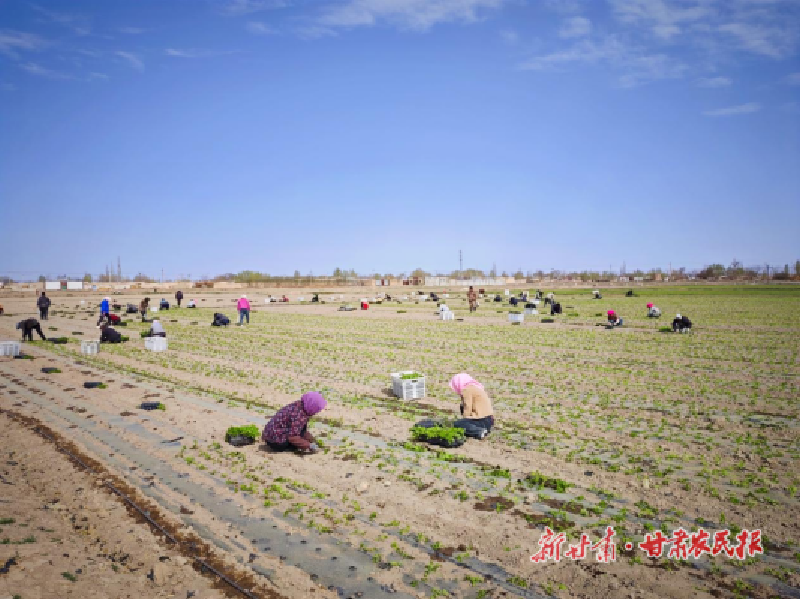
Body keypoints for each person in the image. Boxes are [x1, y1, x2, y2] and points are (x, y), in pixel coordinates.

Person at [261, 392, 327, 454]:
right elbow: (292, 437)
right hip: (276, 442)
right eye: (316, 410)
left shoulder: (297, 405)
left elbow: (301, 430)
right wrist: (309, 446)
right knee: (296, 442)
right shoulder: (299, 416)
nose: (315, 413)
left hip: (269, 435)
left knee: (301, 433)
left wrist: (312, 440)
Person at [449, 373, 494, 439]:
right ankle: (481, 429)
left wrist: (464, 421)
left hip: (482, 420)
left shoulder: (467, 389)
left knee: (457, 424)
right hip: (489, 420)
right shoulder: (474, 387)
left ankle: (479, 431)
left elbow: (467, 407)